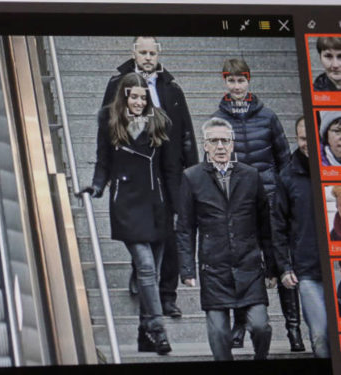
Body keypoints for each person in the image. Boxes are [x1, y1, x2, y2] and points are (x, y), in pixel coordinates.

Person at [102, 36, 198, 317]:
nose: (147, 57)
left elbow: (186, 132)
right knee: (142, 226)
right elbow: (108, 127)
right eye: (142, 52)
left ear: (159, 54)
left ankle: (168, 295)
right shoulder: (118, 84)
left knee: (169, 230)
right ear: (133, 53)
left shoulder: (171, 87)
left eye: (151, 53)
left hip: (169, 170)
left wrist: (192, 171)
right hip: (136, 169)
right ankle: (141, 271)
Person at [211, 58, 301, 351]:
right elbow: (211, 163)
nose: (236, 86)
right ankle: (239, 326)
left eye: (241, 80)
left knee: (282, 262)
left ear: (249, 81)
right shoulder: (218, 121)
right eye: (231, 80)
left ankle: (294, 330)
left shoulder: (269, 116)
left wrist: (284, 194)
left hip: (272, 200)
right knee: (241, 264)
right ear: (225, 82)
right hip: (238, 204)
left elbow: (285, 158)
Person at [86, 72, 179, 354]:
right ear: (124, 95)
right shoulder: (109, 119)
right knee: (147, 268)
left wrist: (176, 205)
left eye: (143, 96)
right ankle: (159, 331)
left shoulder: (160, 121)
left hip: (156, 203)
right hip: (126, 203)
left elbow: (170, 167)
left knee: (153, 269)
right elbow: (103, 160)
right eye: (134, 96)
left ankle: (144, 334)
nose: (139, 101)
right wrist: (97, 187)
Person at [176, 118, 275, 361]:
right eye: (214, 141)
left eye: (225, 141)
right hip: (215, 269)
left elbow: (266, 225)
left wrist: (273, 267)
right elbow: (185, 227)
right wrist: (187, 269)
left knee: (261, 326)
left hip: (249, 267)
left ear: (232, 144)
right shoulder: (192, 177)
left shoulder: (251, 175)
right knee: (219, 332)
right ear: (205, 145)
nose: (220, 146)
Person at [272, 116, 330, 358]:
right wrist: (284, 267)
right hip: (309, 272)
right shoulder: (287, 177)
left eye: (313, 138)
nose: (308, 144)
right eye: (303, 138)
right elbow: (278, 226)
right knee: (320, 336)